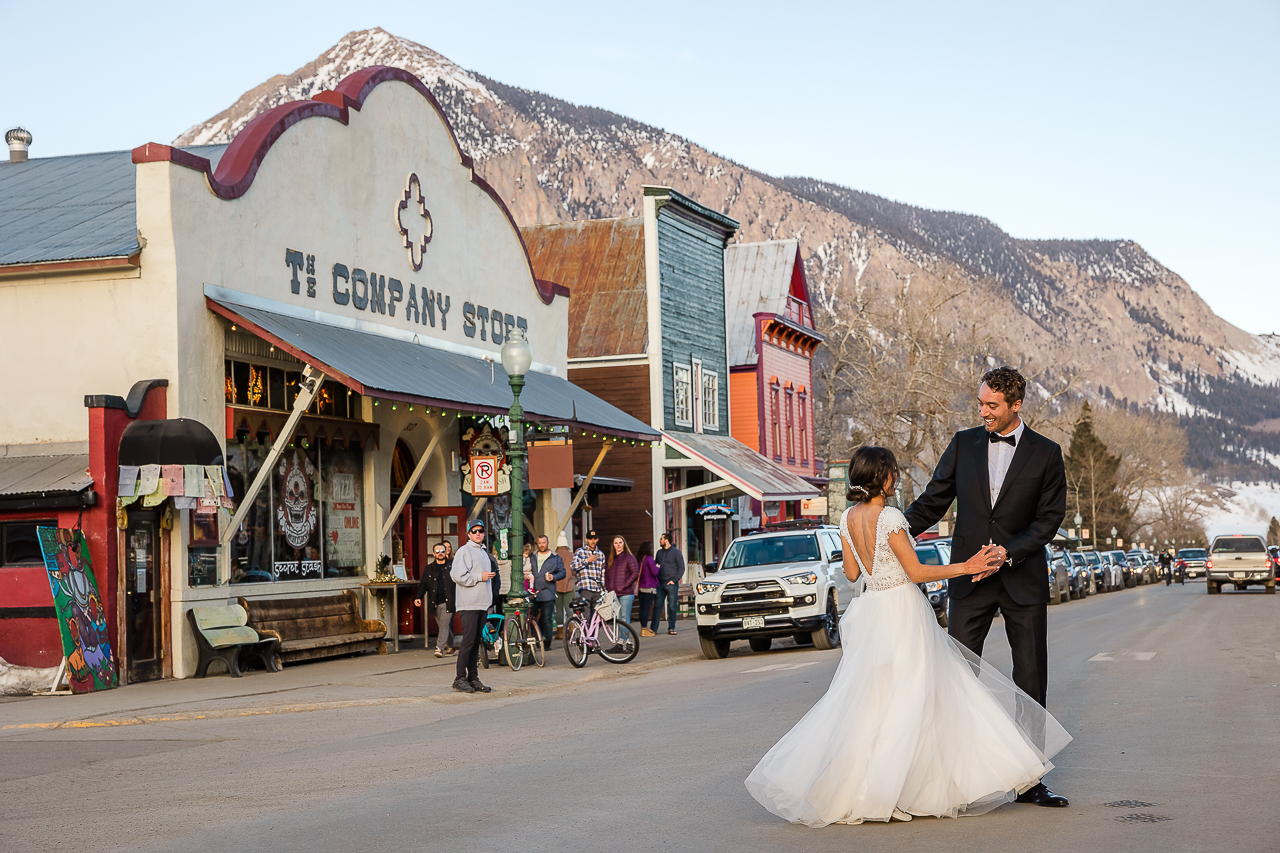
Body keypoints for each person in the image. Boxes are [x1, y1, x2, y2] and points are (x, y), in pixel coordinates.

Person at [746, 446, 1070, 826]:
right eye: (893, 472)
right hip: (902, 611)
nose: (896, 477)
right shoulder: (890, 517)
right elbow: (915, 572)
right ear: (883, 477)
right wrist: (966, 565)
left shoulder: (847, 518)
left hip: (871, 611)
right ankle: (904, 789)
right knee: (916, 696)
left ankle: (872, 790)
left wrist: (873, 565)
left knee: (877, 700)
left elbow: (851, 574)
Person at [902, 366, 1070, 808]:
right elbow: (933, 500)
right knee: (957, 676)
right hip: (969, 580)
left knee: (1031, 680)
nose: (983, 412)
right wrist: (890, 529)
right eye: (980, 403)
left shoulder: (1047, 453)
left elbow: (1049, 519)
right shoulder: (963, 444)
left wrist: (1009, 552)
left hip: (1022, 579)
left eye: (992, 405)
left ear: (1016, 405)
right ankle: (951, 779)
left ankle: (1031, 780)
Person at [450, 520, 496, 694]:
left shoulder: (483, 552)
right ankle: (459, 678)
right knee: (468, 641)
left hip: (482, 603)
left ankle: (473, 677)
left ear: (484, 533)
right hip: (468, 603)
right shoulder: (464, 551)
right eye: (474, 531)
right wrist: (479, 577)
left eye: (480, 531)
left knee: (477, 642)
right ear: (468, 534)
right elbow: (457, 576)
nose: (478, 534)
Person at [414, 543, 456, 658]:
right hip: (435, 602)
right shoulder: (428, 569)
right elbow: (423, 585)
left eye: (442, 551)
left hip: (450, 601)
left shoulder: (453, 566)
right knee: (444, 626)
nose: (440, 554)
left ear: (446, 552)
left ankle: (439, 648)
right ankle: (452, 646)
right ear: (433, 554)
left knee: (444, 625)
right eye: (437, 552)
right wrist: (418, 597)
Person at [526, 535, 565, 650]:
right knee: (531, 618)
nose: (541, 545)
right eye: (539, 543)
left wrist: (554, 576)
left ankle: (547, 642)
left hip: (547, 591)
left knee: (547, 618)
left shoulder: (555, 557)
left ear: (548, 543)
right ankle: (536, 638)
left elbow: (563, 572)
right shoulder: (532, 556)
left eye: (543, 542)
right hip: (532, 592)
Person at [654, 532, 685, 635]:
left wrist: (675, 579)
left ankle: (671, 628)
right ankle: (653, 629)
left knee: (672, 606)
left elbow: (681, 567)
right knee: (657, 606)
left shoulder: (676, 552)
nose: (660, 541)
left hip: (671, 583)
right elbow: (655, 565)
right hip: (660, 583)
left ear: (666, 540)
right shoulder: (659, 553)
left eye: (661, 539)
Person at [605, 535, 640, 625]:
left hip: (626, 594)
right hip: (613, 594)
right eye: (616, 543)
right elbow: (606, 575)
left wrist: (623, 586)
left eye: (620, 542)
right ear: (613, 545)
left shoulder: (629, 557)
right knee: (617, 618)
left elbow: (635, 573)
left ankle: (624, 638)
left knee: (624, 618)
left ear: (624, 544)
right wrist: (608, 588)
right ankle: (620, 638)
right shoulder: (610, 559)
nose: (618, 545)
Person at [571, 529, 606, 605]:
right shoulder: (580, 551)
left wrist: (602, 588)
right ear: (586, 539)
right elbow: (573, 566)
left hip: (597, 590)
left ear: (597, 539)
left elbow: (602, 573)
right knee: (586, 615)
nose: (593, 541)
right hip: (585, 587)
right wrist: (586, 560)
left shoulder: (601, 554)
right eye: (590, 539)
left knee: (596, 616)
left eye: (595, 539)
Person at [554, 533, 577, 639]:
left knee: (558, 609)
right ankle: (571, 630)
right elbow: (574, 572)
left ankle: (560, 633)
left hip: (556, 584)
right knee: (569, 608)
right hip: (569, 585)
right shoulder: (571, 555)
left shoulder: (554, 555)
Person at [636, 541, 659, 637]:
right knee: (646, 608)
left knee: (642, 608)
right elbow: (654, 572)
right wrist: (658, 567)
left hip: (641, 586)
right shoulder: (649, 559)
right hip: (649, 587)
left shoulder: (639, 559)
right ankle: (645, 630)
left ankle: (643, 628)